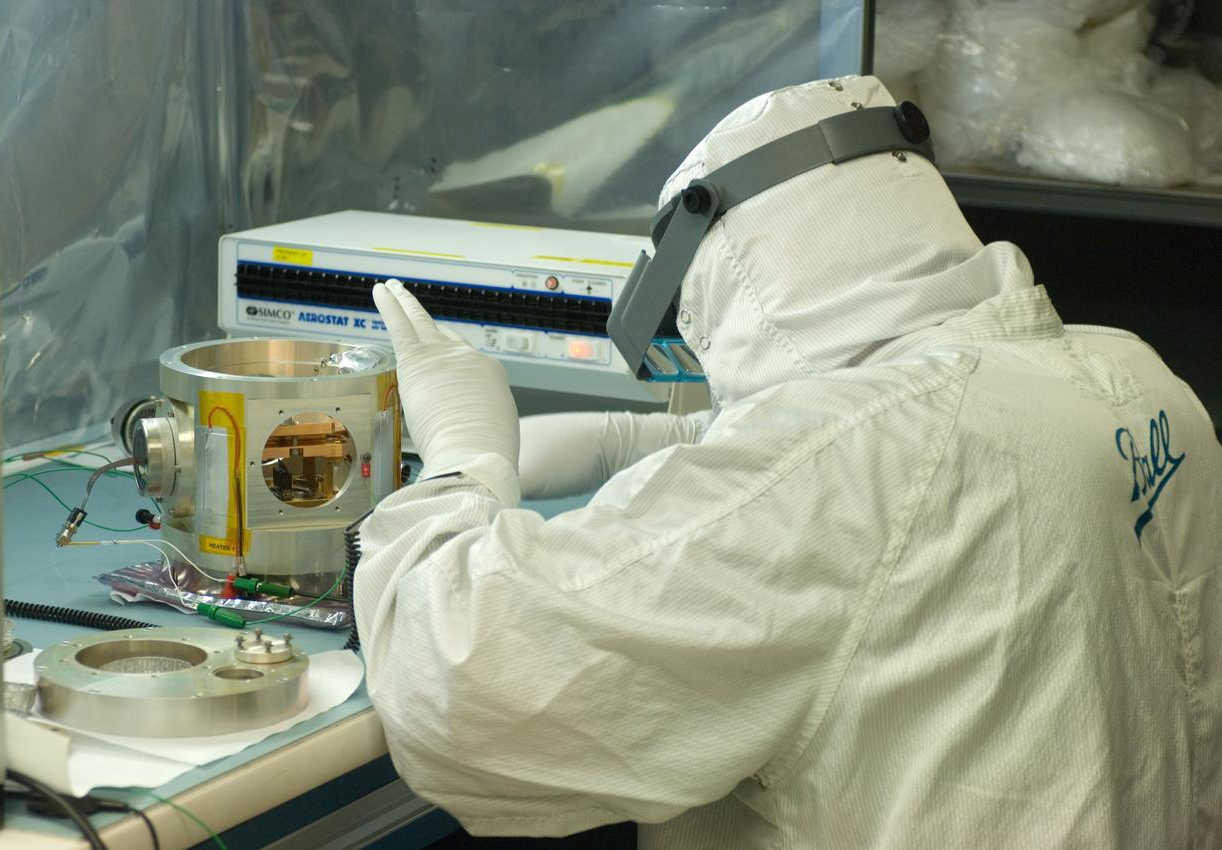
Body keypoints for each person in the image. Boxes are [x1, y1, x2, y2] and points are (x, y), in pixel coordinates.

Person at [353, 76, 1222, 849]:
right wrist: (662, 441)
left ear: (735, 275)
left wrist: (463, 461)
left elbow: (464, 683)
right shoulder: (1131, 373)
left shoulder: (853, 464)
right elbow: (907, 461)